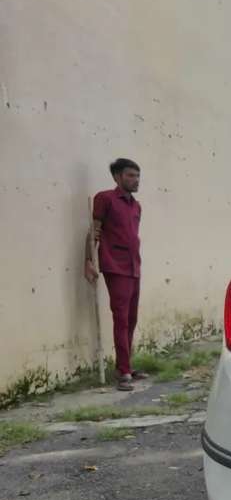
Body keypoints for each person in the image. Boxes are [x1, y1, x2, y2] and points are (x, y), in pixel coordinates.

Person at [85, 158, 146, 391]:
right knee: (120, 319)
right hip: (115, 266)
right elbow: (93, 231)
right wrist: (88, 261)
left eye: (138, 176)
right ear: (117, 177)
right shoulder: (105, 199)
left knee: (131, 319)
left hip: (134, 267)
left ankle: (126, 365)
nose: (136, 180)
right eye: (131, 175)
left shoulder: (136, 206)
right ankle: (123, 373)